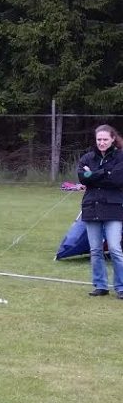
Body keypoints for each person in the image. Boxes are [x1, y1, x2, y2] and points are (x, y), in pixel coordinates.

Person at [77, 124, 123, 299]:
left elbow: (117, 180)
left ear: (112, 139)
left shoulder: (120, 157)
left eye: (105, 139)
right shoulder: (87, 157)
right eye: (99, 139)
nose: (102, 142)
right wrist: (105, 173)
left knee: (114, 248)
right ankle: (100, 286)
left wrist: (94, 175)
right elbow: (82, 177)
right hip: (91, 207)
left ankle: (121, 287)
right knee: (95, 250)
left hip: (113, 208)